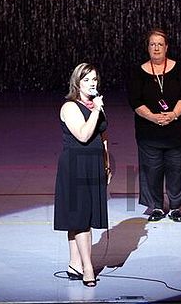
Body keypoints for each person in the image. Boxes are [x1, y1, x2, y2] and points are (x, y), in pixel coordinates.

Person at [127, 28, 181, 222]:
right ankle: (156, 206)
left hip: (176, 131)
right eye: (152, 44)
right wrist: (153, 117)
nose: (156, 48)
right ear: (147, 48)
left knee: (177, 168)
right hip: (149, 132)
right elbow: (135, 101)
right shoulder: (138, 72)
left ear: (166, 47)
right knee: (152, 170)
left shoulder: (180, 69)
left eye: (160, 44)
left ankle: (175, 207)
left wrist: (173, 115)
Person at [53, 63, 111, 287]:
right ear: (77, 82)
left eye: (95, 79)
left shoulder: (96, 105)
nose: (92, 83)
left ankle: (74, 264)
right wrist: (96, 110)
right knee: (80, 218)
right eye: (87, 79)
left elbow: (103, 136)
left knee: (77, 217)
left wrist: (106, 165)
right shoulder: (70, 107)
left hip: (94, 165)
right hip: (75, 166)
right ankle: (88, 268)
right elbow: (84, 135)